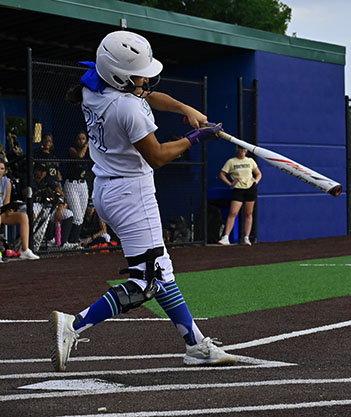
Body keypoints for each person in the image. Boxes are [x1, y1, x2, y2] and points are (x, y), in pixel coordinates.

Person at [49, 30, 236, 372]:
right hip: (132, 197)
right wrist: (196, 137)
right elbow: (158, 156)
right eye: (139, 75)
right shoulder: (126, 108)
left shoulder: (95, 86)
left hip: (108, 188)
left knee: (160, 271)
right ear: (120, 76)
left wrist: (183, 107)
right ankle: (73, 326)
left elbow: (148, 96)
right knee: (146, 282)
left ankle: (196, 345)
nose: (146, 79)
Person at [218, 145, 262, 246]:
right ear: (237, 149)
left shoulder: (250, 160)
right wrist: (230, 183)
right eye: (241, 149)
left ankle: (246, 238)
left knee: (248, 213)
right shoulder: (231, 161)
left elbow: (258, 173)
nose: (243, 151)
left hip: (250, 189)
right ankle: (226, 237)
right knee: (233, 213)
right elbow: (222, 174)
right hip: (238, 189)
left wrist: (256, 181)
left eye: (245, 149)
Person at [0, 158, 40, 260]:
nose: (0, 171)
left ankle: (25, 250)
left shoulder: (6, 182)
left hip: (2, 212)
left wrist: (9, 209)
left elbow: (6, 203)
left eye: (2, 168)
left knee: (23, 217)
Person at [63, 131, 92, 243]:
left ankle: (73, 241)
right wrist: (86, 145)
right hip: (72, 184)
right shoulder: (72, 149)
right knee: (77, 215)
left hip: (83, 184)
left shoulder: (88, 151)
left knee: (81, 215)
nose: (81, 141)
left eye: (84, 139)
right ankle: (70, 241)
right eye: (79, 139)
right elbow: (80, 156)